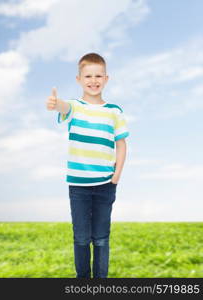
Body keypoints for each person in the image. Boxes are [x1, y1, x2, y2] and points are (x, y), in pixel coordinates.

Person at [46, 53, 129, 278]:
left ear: (106, 78)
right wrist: (56, 104)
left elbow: (121, 145)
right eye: (88, 76)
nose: (94, 80)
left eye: (98, 75)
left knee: (101, 238)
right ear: (79, 79)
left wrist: (117, 175)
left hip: (105, 184)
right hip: (78, 187)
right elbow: (63, 107)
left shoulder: (114, 111)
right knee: (81, 238)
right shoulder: (75, 107)